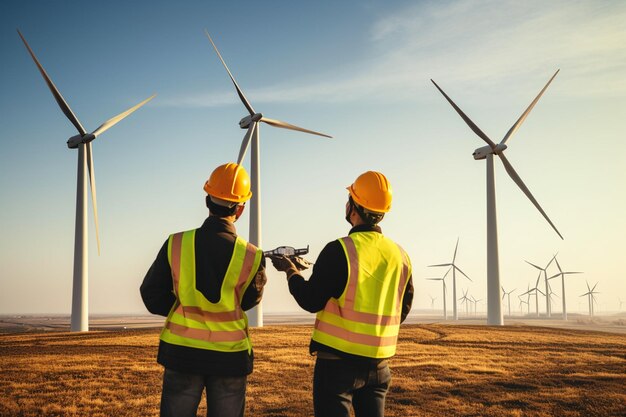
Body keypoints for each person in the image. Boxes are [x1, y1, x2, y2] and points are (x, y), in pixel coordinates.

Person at [271, 170, 414, 417]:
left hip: (337, 367)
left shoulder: (340, 250)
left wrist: (291, 271)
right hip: (379, 367)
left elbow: (310, 300)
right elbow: (402, 308)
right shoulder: (400, 256)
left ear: (353, 208)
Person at [140, 162, 266, 417]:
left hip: (182, 354)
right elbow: (250, 300)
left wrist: (183, 309)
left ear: (207, 199)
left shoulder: (176, 243)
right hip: (230, 358)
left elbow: (151, 294)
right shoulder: (252, 255)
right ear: (240, 209)